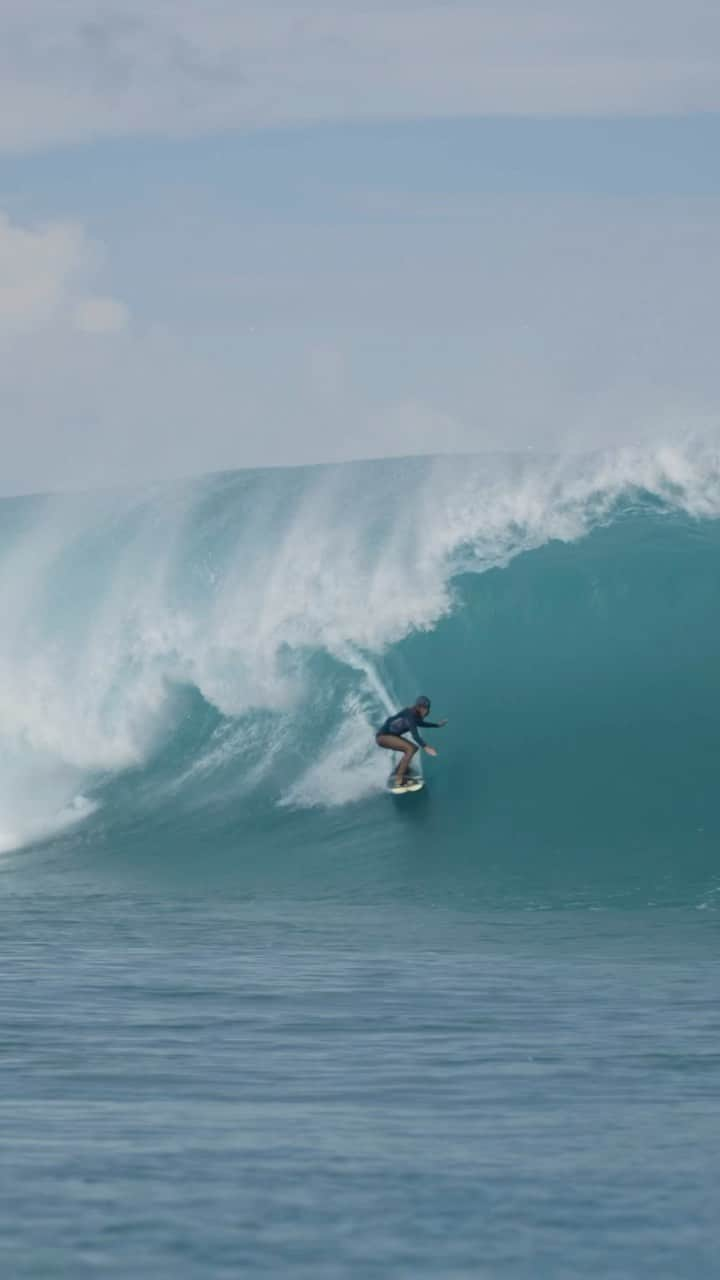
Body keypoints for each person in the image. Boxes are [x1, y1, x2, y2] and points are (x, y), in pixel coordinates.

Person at [376, 696, 447, 787]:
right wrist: (426, 747)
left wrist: (437, 725)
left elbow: (421, 723)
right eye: (425, 708)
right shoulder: (410, 714)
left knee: (414, 748)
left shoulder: (416, 715)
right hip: (383, 737)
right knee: (410, 749)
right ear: (418, 707)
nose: (427, 711)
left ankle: (399, 770)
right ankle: (399, 779)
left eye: (427, 708)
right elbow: (415, 735)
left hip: (391, 736)